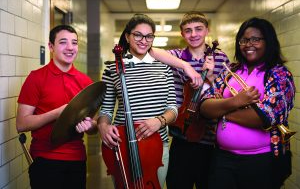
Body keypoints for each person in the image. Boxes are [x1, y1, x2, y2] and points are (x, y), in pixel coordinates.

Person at [199, 17, 295, 189]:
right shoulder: (231, 71)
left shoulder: (279, 74)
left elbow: (265, 118)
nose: (248, 44)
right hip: (223, 159)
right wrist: (236, 101)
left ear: (268, 42)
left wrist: (222, 109)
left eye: (256, 39)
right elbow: (205, 107)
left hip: (261, 161)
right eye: (243, 40)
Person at [97, 14, 177, 188]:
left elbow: (173, 108)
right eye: (138, 35)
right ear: (127, 36)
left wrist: (159, 121)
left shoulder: (164, 67)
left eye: (149, 36)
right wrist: (102, 126)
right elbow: (106, 109)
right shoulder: (113, 67)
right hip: (122, 144)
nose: (144, 40)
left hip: (157, 146)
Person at [151, 11, 229, 189]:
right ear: (182, 34)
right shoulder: (176, 56)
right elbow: (151, 50)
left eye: (198, 29)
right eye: (188, 30)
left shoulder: (221, 58)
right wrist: (185, 66)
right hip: (181, 136)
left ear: (207, 30)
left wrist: (209, 78)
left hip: (210, 138)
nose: (193, 34)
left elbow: (225, 96)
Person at [16, 25, 98, 189]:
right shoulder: (36, 78)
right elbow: (21, 124)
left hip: (77, 160)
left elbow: (94, 125)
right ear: (51, 47)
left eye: (74, 43)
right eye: (63, 42)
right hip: (44, 160)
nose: (70, 47)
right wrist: (58, 113)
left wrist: (90, 125)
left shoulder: (85, 82)